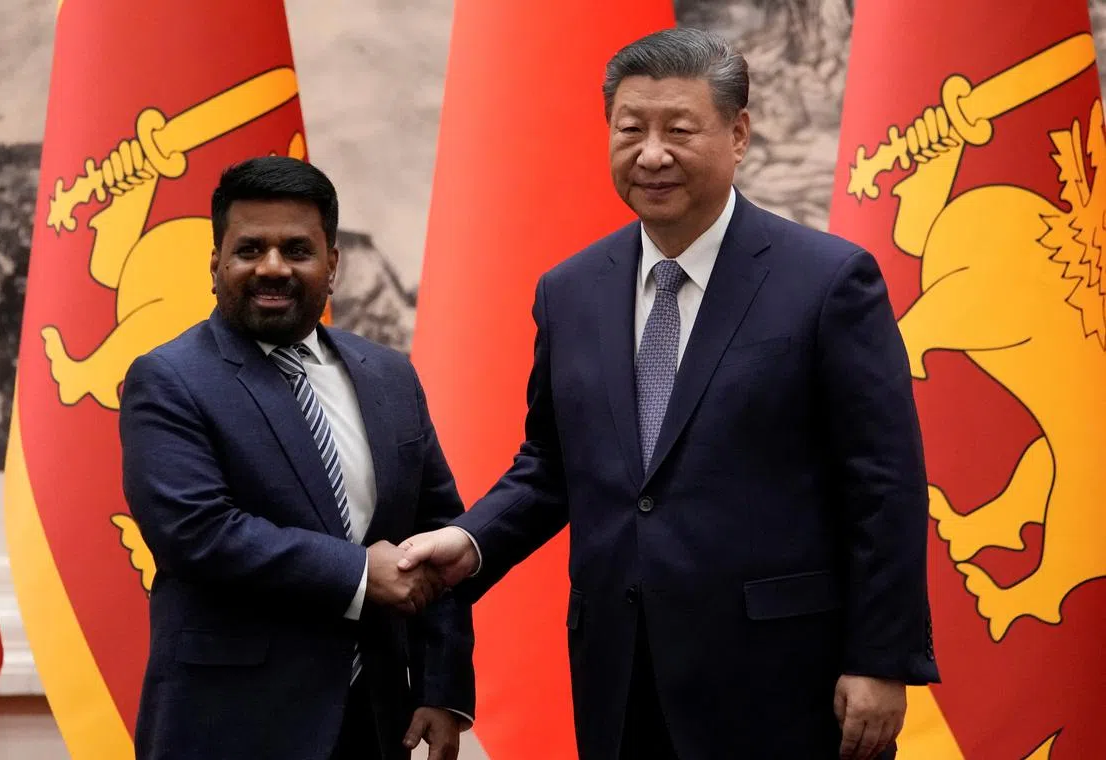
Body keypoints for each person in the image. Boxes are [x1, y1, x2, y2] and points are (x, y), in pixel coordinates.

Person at [398, 28, 938, 760]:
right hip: (621, 676)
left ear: (738, 134)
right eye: (631, 130)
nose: (652, 155)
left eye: (679, 130)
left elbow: (884, 484)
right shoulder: (569, 291)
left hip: (781, 679)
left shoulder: (829, 282)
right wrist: (471, 540)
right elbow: (551, 465)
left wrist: (880, 659)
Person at [120, 156, 473, 760]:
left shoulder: (390, 376)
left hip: (376, 723)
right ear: (216, 263)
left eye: (297, 250)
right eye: (249, 249)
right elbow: (198, 532)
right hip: (228, 728)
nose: (272, 267)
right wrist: (360, 574)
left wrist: (442, 687)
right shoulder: (169, 379)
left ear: (332, 264)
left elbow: (439, 535)